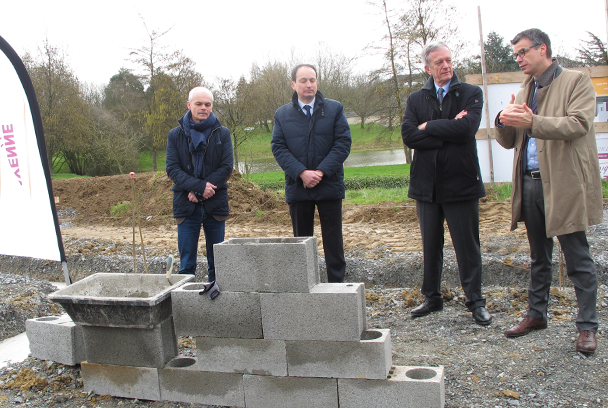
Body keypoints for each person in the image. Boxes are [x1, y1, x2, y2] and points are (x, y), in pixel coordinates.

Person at [495, 28, 603, 353]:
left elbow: (579, 123)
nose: (518, 59)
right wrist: (503, 121)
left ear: (542, 49)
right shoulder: (527, 88)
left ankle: (587, 328)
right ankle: (536, 314)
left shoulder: (576, 81)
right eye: (515, 54)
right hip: (529, 184)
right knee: (538, 257)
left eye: (523, 52)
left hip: (563, 185)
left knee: (577, 258)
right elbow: (513, 138)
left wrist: (533, 121)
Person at [401, 42, 491, 325]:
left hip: (461, 183)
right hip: (426, 185)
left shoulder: (470, 93)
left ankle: (475, 301)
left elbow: (466, 129)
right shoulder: (416, 99)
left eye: (449, 60)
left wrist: (427, 127)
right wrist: (447, 129)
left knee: (467, 246)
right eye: (439, 62)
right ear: (427, 68)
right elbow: (408, 136)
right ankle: (432, 297)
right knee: (431, 245)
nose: (446, 65)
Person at [271, 64, 352, 283]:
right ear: (293, 84)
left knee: (334, 241)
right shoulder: (282, 114)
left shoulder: (335, 109)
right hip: (298, 187)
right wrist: (302, 173)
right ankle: (306, 285)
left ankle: (337, 286)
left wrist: (321, 172)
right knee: (302, 242)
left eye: (313, 80)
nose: (309, 84)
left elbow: (343, 143)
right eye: (304, 80)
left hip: (329, 185)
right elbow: (278, 147)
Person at [166, 87, 234, 283]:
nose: (203, 108)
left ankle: (217, 303)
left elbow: (226, 167)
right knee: (186, 263)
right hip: (186, 206)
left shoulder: (222, 133)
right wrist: (198, 187)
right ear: (189, 105)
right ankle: (186, 306)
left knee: (218, 262)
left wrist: (202, 191)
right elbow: (172, 169)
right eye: (199, 104)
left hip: (215, 204)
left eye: (207, 104)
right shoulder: (175, 135)